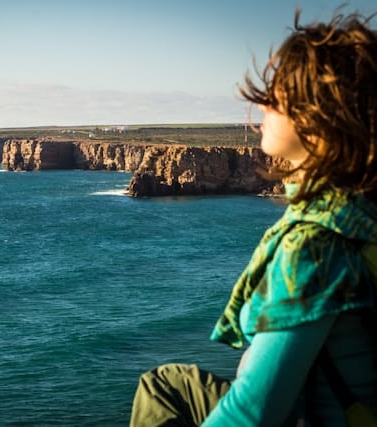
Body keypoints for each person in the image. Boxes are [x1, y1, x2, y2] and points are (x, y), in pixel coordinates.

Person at [130, 8, 377, 427]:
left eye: (276, 96)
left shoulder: (313, 246)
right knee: (166, 383)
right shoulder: (361, 215)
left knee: (161, 391)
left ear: (319, 119)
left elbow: (254, 412)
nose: (259, 105)